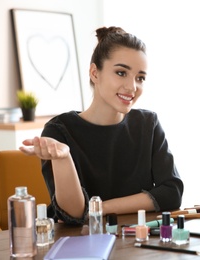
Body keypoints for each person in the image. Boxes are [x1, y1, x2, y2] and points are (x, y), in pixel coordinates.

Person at [19, 26, 184, 225]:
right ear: (95, 73)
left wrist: (101, 208)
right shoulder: (59, 130)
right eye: (121, 73)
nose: (132, 87)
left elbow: (172, 192)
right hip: (81, 247)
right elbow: (74, 214)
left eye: (140, 78)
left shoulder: (148, 124)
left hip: (138, 242)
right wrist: (64, 158)